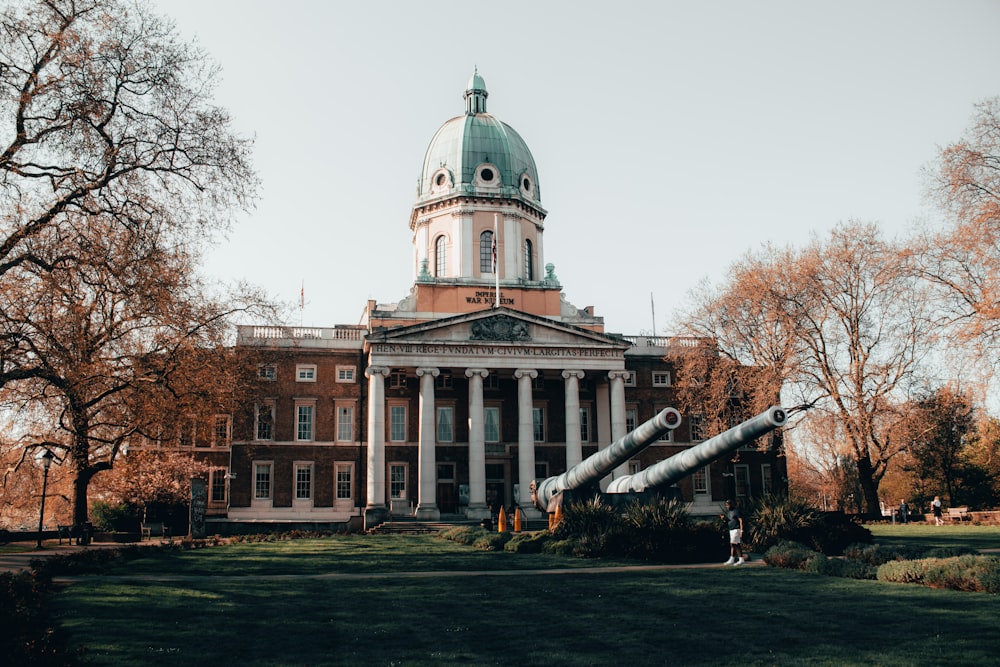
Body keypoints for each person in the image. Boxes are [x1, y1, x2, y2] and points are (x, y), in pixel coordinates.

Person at [721, 500, 745, 565]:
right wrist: (723, 519)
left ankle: (740, 559)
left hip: (736, 529)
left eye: (728, 505)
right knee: (733, 544)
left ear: (731, 504)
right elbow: (728, 521)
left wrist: (742, 530)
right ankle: (732, 558)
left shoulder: (736, 511)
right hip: (731, 529)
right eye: (726, 505)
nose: (727, 506)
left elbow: (740, 520)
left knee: (735, 544)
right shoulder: (728, 512)